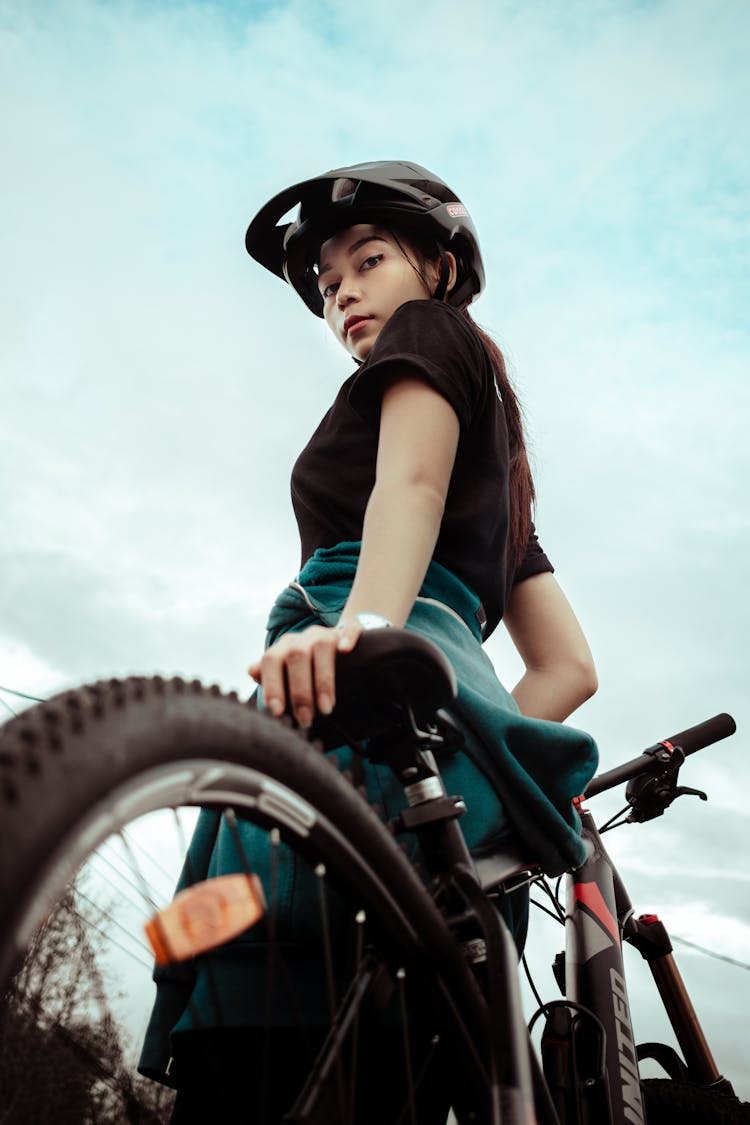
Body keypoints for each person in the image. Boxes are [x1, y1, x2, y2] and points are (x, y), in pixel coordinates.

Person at [139, 161, 599, 1122]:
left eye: (369, 258)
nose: (341, 288)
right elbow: (568, 670)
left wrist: (367, 642)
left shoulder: (433, 334)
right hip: (432, 730)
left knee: (264, 990)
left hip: (362, 669)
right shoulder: (507, 481)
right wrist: (472, 740)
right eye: (325, 282)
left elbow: (410, 491)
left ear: (437, 267)